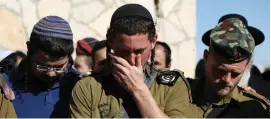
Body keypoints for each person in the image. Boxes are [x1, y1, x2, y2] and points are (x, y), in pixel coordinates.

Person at [70, 4, 194, 118]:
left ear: (153, 41)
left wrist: (139, 90)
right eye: (124, 51)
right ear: (110, 41)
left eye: (139, 51)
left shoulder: (171, 86)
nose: (132, 59)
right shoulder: (88, 87)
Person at [190, 18, 269, 118]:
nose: (227, 80)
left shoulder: (262, 99)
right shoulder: (182, 90)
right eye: (224, 46)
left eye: (244, 46)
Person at [5, 16, 79, 117]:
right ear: (29, 48)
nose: (51, 73)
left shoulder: (80, 85)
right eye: (42, 66)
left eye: (59, 67)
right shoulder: (5, 85)